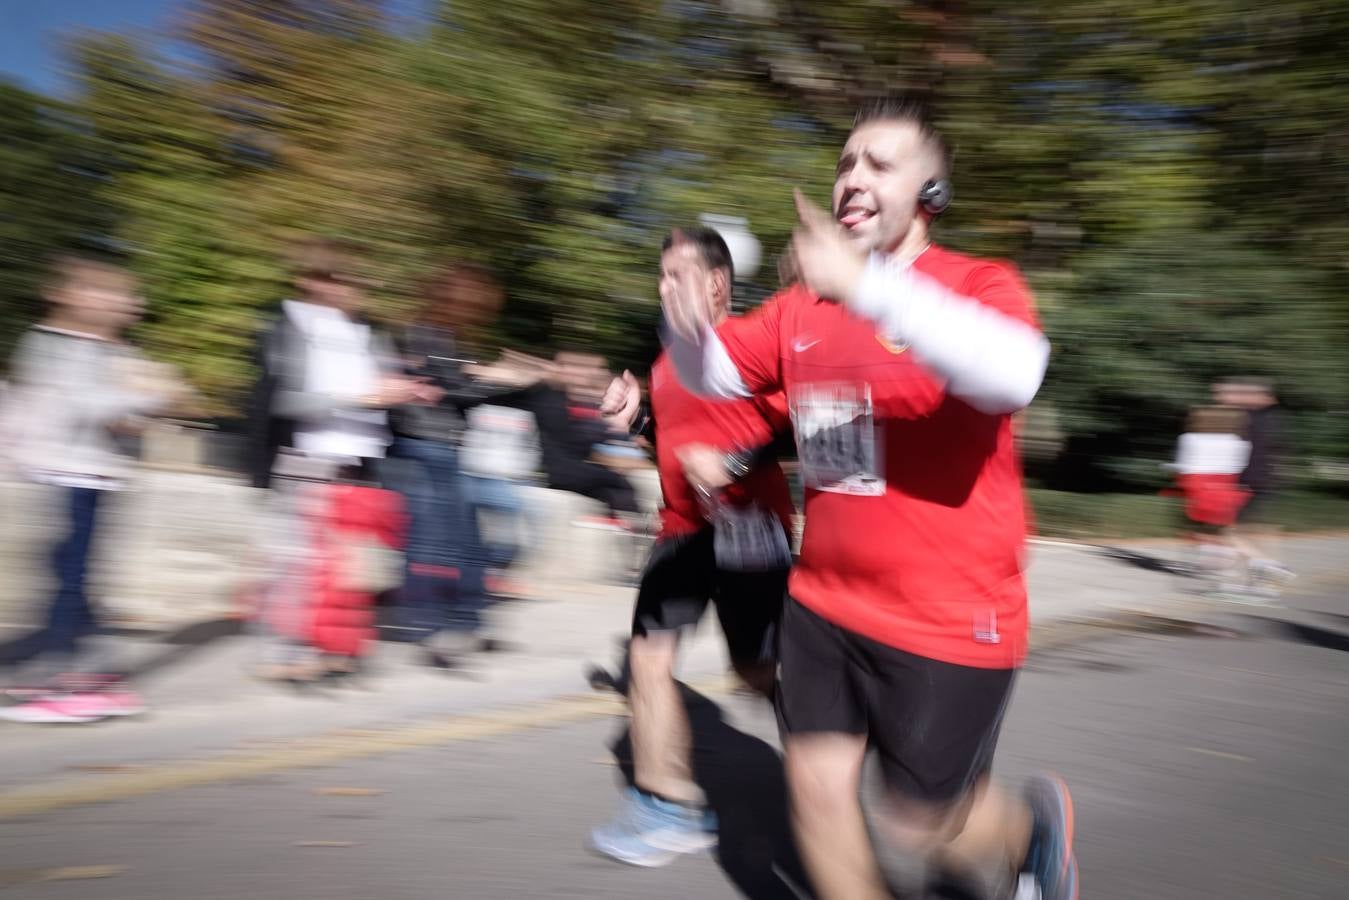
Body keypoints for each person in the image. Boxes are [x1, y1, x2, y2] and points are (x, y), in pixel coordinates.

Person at [661, 96, 1075, 899]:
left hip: (948, 615)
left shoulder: (974, 284)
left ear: (932, 192)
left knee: (920, 820)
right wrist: (683, 328)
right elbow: (711, 371)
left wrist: (869, 285)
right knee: (815, 792)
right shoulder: (800, 308)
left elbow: (1013, 372)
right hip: (822, 603)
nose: (852, 178)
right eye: (845, 162)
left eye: (879, 164)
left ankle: (1029, 837)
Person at [588, 227, 795, 867]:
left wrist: (732, 467)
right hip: (682, 534)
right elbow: (676, 452)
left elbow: (799, 431)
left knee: (755, 675)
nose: (662, 285)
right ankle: (668, 807)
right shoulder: (663, 364)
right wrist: (638, 420)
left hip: (750, 532)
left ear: (715, 284)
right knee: (649, 661)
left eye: (676, 273)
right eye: (660, 275)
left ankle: (826, 745)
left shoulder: (750, 349)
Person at [0, 256, 182, 723]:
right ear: (69, 295)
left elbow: (124, 416)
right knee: (69, 580)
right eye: (109, 295)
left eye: (126, 298)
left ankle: (81, 667)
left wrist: (143, 405)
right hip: (64, 475)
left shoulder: (114, 350)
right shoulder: (54, 344)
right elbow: (86, 405)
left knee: (79, 578)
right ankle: (56, 679)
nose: (125, 305)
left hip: (97, 474)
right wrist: (150, 393)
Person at [246, 238, 432, 682]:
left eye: (357, 281)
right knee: (296, 562)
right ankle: (283, 652)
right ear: (311, 281)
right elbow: (284, 401)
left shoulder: (368, 334)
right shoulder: (289, 326)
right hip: (306, 458)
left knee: (344, 566)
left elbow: (384, 389)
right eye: (340, 279)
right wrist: (363, 397)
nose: (352, 289)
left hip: (358, 462)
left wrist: (405, 391)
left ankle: (331, 647)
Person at [386, 264, 546, 666]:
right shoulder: (425, 335)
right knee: (434, 542)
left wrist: (505, 377)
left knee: (463, 542)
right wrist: (506, 378)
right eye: (477, 306)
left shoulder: (446, 339)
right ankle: (433, 625)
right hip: (423, 448)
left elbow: (461, 382)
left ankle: (464, 621)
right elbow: (453, 390)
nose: (480, 314)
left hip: (445, 449)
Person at [1214, 378, 1293, 582]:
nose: (1220, 398)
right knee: (1241, 529)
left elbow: (1240, 452)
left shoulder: (1247, 418)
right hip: (1260, 481)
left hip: (1248, 482)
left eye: (1223, 394)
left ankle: (1264, 564)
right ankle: (1251, 568)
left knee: (1227, 529)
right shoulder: (1268, 418)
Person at [1168, 405, 1252, 579]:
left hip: (1197, 484)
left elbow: (1183, 465)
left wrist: (1168, 468)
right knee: (1219, 525)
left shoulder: (1189, 438)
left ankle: (1209, 557)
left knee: (1192, 523)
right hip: (1224, 485)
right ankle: (1222, 558)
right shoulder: (1238, 441)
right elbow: (1240, 466)